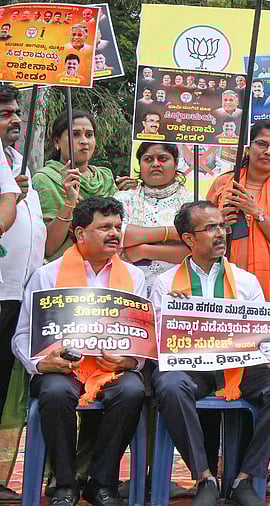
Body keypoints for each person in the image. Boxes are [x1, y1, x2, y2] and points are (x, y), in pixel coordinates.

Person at [150, 201, 270, 506]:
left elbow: (261, 336)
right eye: (210, 228)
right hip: (194, 371)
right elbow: (159, 343)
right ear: (189, 239)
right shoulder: (165, 285)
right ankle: (204, 476)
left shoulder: (246, 281)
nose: (221, 234)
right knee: (168, 383)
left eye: (222, 226)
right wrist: (175, 313)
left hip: (241, 371)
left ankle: (246, 477)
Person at [12, 197, 147, 506]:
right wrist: (40, 364)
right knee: (56, 393)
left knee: (132, 391)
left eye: (117, 227)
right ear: (80, 234)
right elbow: (22, 335)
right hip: (62, 369)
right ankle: (64, 483)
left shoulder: (134, 277)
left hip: (113, 368)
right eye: (104, 227)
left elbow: (141, 335)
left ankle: (100, 483)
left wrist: (131, 360)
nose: (114, 233)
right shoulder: (47, 275)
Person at [207, 119, 270, 301]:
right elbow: (201, 231)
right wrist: (220, 224)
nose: (268, 152)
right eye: (261, 144)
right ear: (248, 147)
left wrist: (257, 213)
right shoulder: (224, 183)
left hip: (269, 281)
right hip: (222, 275)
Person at [0, 85, 39, 504]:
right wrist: (10, 196)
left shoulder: (14, 163)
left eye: (15, 112)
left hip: (16, 293)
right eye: (4, 114)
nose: (14, 120)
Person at [34, 110, 117, 261]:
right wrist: (69, 204)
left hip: (107, 265)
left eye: (89, 135)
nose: (84, 141)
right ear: (57, 141)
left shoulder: (105, 177)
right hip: (64, 267)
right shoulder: (46, 179)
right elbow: (48, 247)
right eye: (75, 134)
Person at [114, 142, 191, 295]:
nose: (156, 164)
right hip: (129, 289)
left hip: (179, 292)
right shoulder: (123, 198)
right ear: (140, 165)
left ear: (175, 164)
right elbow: (118, 236)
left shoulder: (191, 202)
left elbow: (196, 250)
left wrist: (143, 250)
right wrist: (171, 233)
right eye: (148, 159)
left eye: (163, 158)